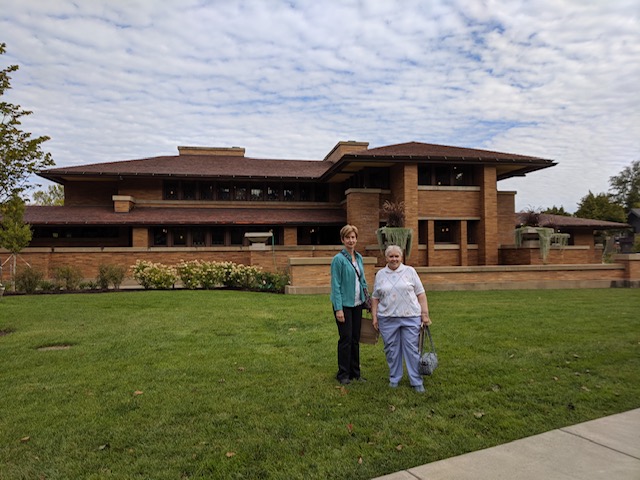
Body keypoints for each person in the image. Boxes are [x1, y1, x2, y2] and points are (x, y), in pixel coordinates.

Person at [371, 244, 432, 393]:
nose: (394, 259)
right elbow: (375, 298)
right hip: (387, 317)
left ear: (401, 257)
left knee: (412, 350)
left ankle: (416, 381)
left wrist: (425, 314)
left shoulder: (410, 271)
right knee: (391, 350)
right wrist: (374, 317)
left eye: (396, 256)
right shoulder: (380, 274)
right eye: (391, 256)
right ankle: (394, 378)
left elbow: (421, 294)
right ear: (386, 258)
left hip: (410, 316)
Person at [330, 224, 369, 385]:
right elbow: (336, 285)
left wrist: (368, 300)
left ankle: (355, 373)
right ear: (342, 239)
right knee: (345, 339)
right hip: (344, 305)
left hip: (357, 304)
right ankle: (343, 374)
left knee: (355, 339)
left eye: (353, 237)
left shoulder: (359, 257)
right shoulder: (338, 260)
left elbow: (363, 281)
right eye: (348, 237)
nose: (351, 240)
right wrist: (338, 308)